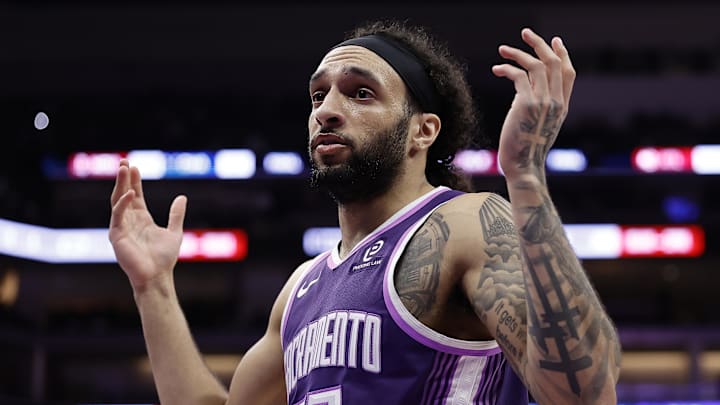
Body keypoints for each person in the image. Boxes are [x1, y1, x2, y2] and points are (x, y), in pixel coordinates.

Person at [109, 19, 621, 404]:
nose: (326, 110)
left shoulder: (463, 224)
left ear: (423, 130)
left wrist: (526, 172)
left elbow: (585, 394)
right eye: (317, 95)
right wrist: (152, 286)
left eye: (360, 93)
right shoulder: (300, 289)